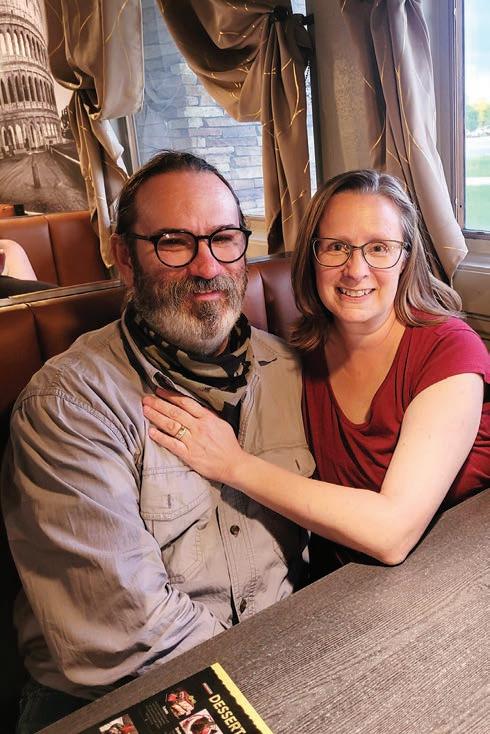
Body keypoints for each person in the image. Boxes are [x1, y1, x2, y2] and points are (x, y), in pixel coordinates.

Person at [1, 151, 314, 733]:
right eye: (174, 243)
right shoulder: (70, 405)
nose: (207, 266)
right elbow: (127, 632)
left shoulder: (290, 369)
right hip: (115, 696)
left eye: (224, 239)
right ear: (125, 258)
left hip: (279, 650)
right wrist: (279, 679)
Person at [143, 169, 489, 577]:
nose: (355, 269)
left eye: (379, 248)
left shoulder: (450, 350)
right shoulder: (298, 356)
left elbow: (392, 533)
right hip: (338, 581)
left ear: (405, 259)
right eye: (337, 247)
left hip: (451, 577)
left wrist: (233, 465)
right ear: (313, 256)